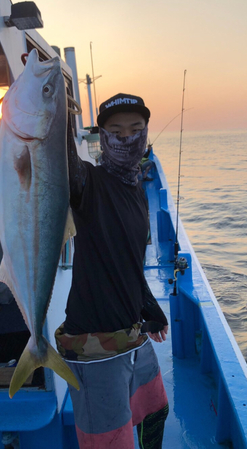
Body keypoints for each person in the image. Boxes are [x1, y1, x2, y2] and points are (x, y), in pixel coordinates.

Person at [55, 93, 169, 449]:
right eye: (115, 130)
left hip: (131, 334)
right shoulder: (89, 182)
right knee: (111, 443)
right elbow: (61, 162)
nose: (126, 138)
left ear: (146, 133)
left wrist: (149, 308)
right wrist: (53, 111)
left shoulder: (135, 186)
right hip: (94, 346)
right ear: (101, 137)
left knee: (154, 412)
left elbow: (129, 261)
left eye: (136, 129)